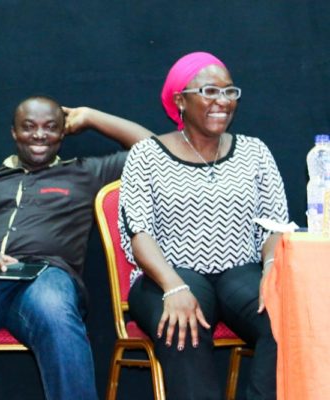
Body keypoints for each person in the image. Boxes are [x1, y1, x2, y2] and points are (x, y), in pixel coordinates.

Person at [0, 95, 152, 399]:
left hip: (43, 279)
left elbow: (153, 150)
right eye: (29, 127)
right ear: (14, 132)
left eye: (50, 127)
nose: (39, 135)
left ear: (63, 133)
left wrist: (89, 116)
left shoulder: (85, 172)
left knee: (55, 313)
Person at [117, 52, 288, 399]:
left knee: (288, 316)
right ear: (180, 100)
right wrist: (173, 288)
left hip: (240, 271)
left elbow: (274, 225)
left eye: (229, 92)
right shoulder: (147, 155)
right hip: (167, 274)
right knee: (183, 328)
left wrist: (271, 267)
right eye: (209, 91)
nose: (222, 102)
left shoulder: (254, 151)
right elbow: (139, 233)